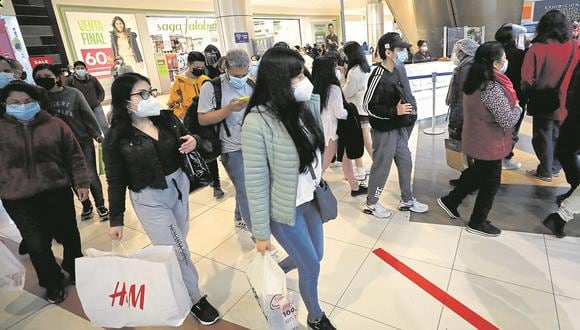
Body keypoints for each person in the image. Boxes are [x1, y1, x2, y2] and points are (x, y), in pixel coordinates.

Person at [104, 73, 221, 325]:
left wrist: (194, 140)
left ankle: (175, 277)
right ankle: (195, 298)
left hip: (179, 186)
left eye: (150, 91)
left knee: (177, 242)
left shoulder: (167, 119)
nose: (149, 98)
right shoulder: (116, 137)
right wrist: (116, 219)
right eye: (142, 94)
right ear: (125, 100)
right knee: (179, 250)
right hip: (149, 198)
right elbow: (115, 179)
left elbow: (191, 137)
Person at [241, 46, 336, 330]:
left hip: (310, 200)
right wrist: (260, 234)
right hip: (284, 209)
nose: (304, 80)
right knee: (311, 266)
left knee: (315, 256)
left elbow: (318, 151)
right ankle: (316, 317)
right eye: (296, 77)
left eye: (303, 73)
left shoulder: (304, 106)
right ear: (278, 81)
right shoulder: (257, 122)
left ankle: (280, 271)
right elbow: (255, 183)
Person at [0, 81, 89, 304]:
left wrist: (81, 183)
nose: (22, 106)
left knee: (69, 234)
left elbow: (75, 157)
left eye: (28, 101)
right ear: (5, 105)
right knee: (36, 243)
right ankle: (51, 282)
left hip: (55, 191)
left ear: (38, 101)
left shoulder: (56, 125)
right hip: (17, 198)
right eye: (15, 103)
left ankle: (75, 267)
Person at [438, 42, 523, 237]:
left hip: (477, 137)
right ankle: (477, 221)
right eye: (503, 59)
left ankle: (451, 200)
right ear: (494, 63)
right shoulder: (490, 87)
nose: (506, 62)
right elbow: (506, 119)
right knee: (491, 182)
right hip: (489, 142)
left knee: (477, 173)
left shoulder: (474, 79)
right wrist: (517, 107)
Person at [362, 32, 428, 218]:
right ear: (388, 52)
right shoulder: (378, 75)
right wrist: (394, 111)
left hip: (398, 128)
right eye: (399, 49)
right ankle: (371, 203)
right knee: (382, 167)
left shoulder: (399, 69)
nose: (403, 53)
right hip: (384, 130)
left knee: (405, 161)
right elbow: (367, 105)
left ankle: (407, 200)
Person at [33, 64, 108, 222]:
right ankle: (86, 204)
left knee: (91, 175)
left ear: (56, 77)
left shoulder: (73, 94)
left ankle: (100, 204)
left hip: (82, 141)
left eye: (47, 77)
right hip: (58, 146)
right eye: (38, 78)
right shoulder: (38, 99)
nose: (43, 81)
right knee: (73, 177)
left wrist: (96, 134)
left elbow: (87, 115)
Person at [198, 49, 253, 230]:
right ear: (226, 67)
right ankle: (258, 235)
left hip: (252, 144)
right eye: (237, 75)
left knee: (246, 187)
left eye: (245, 74)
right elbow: (203, 118)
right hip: (230, 147)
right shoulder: (211, 87)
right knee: (245, 189)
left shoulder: (251, 84)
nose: (241, 78)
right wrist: (229, 109)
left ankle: (239, 215)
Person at [522, 10, 580, 182]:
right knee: (558, 135)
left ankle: (546, 170)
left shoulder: (537, 48)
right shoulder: (574, 46)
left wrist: (529, 93)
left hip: (544, 99)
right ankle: (554, 167)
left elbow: (526, 79)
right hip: (570, 100)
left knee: (543, 136)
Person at [312, 56, 366, 196]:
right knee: (324, 164)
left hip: (322, 128)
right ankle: (312, 189)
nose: (337, 69)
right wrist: (351, 111)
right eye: (334, 67)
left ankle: (354, 185)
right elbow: (340, 113)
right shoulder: (333, 88)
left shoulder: (316, 87)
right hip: (332, 131)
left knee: (344, 157)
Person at [543, 60, 580, 237]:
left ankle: (562, 214)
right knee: (564, 151)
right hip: (575, 115)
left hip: (574, 115)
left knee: (564, 151)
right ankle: (562, 215)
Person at [342, 41, 373, 180]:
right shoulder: (365, 67)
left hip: (356, 109)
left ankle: (361, 169)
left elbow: (348, 92)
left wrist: (341, 85)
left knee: (359, 140)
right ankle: (365, 167)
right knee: (365, 139)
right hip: (364, 107)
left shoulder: (354, 71)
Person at [447, 39, 479, 141]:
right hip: (470, 115)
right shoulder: (472, 64)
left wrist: (456, 122)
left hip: (462, 116)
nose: (455, 54)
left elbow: (461, 96)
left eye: (457, 51)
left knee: (460, 146)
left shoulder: (466, 68)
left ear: (464, 52)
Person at [65, 61, 108, 136]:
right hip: (82, 109)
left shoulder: (92, 79)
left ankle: (110, 142)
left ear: (86, 69)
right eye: (78, 68)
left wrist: (99, 100)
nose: (80, 70)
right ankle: (99, 139)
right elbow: (66, 93)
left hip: (96, 106)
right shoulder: (70, 81)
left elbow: (101, 91)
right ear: (74, 70)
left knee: (103, 125)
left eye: (82, 68)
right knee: (91, 128)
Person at [168, 51, 211, 120]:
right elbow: (172, 104)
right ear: (188, 64)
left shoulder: (206, 80)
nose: (200, 69)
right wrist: (184, 118)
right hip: (190, 120)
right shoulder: (179, 83)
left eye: (202, 67)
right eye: (197, 67)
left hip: (207, 118)